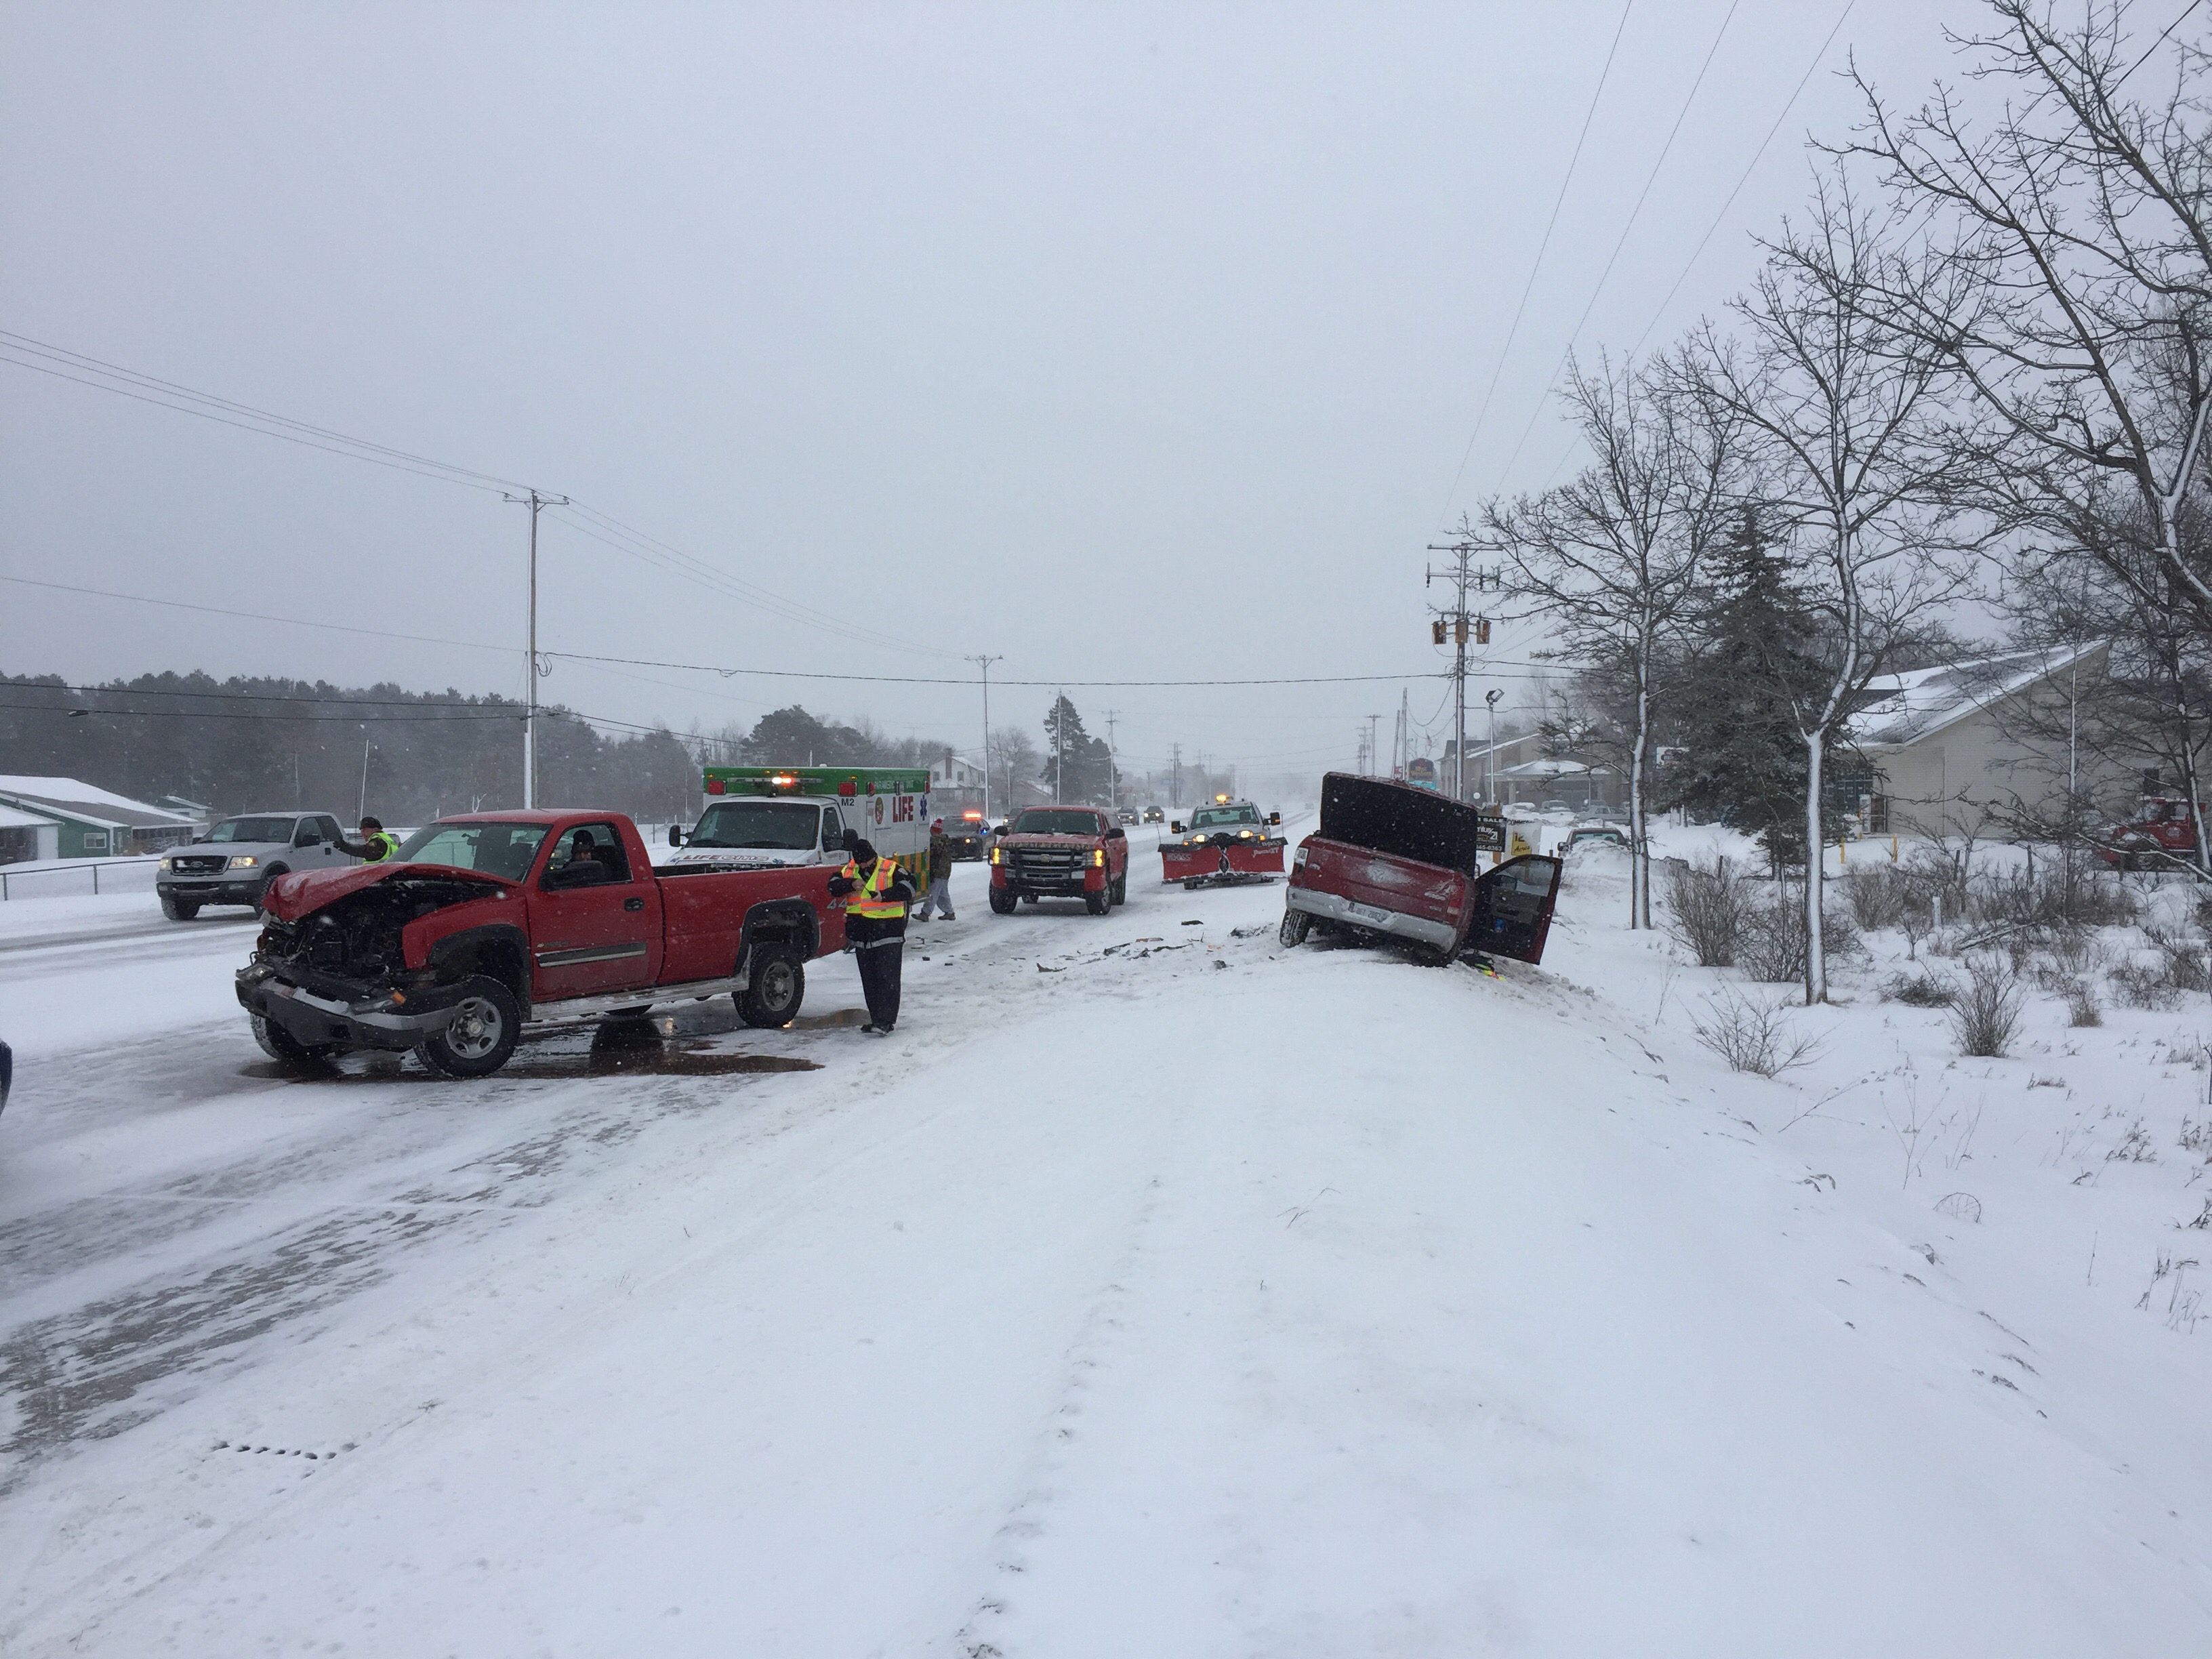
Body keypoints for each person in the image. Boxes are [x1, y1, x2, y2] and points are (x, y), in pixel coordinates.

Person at [827, 837, 916, 1035]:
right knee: (870, 981)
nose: (862, 865)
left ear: (873, 857)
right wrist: (851, 884)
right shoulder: (850, 870)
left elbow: (909, 888)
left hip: (888, 934)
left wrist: (884, 895)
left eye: (865, 862)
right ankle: (876, 1019)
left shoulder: (890, 869)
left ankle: (886, 1021)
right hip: (862, 936)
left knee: (888, 979)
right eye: (859, 862)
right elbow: (832, 886)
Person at [916, 817, 956, 921]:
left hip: (938, 871)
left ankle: (925, 913)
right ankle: (949, 912)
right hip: (945, 871)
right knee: (942, 893)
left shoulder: (935, 841)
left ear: (933, 830)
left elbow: (931, 855)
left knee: (933, 893)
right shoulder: (946, 840)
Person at [334, 815, 401, 863]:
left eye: (365, 830)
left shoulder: (378, 842)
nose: (362, 834)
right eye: (361, 831)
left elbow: (364, 851)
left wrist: (345, 846)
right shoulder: (386, 839)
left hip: (380, 877)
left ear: (375, 829)